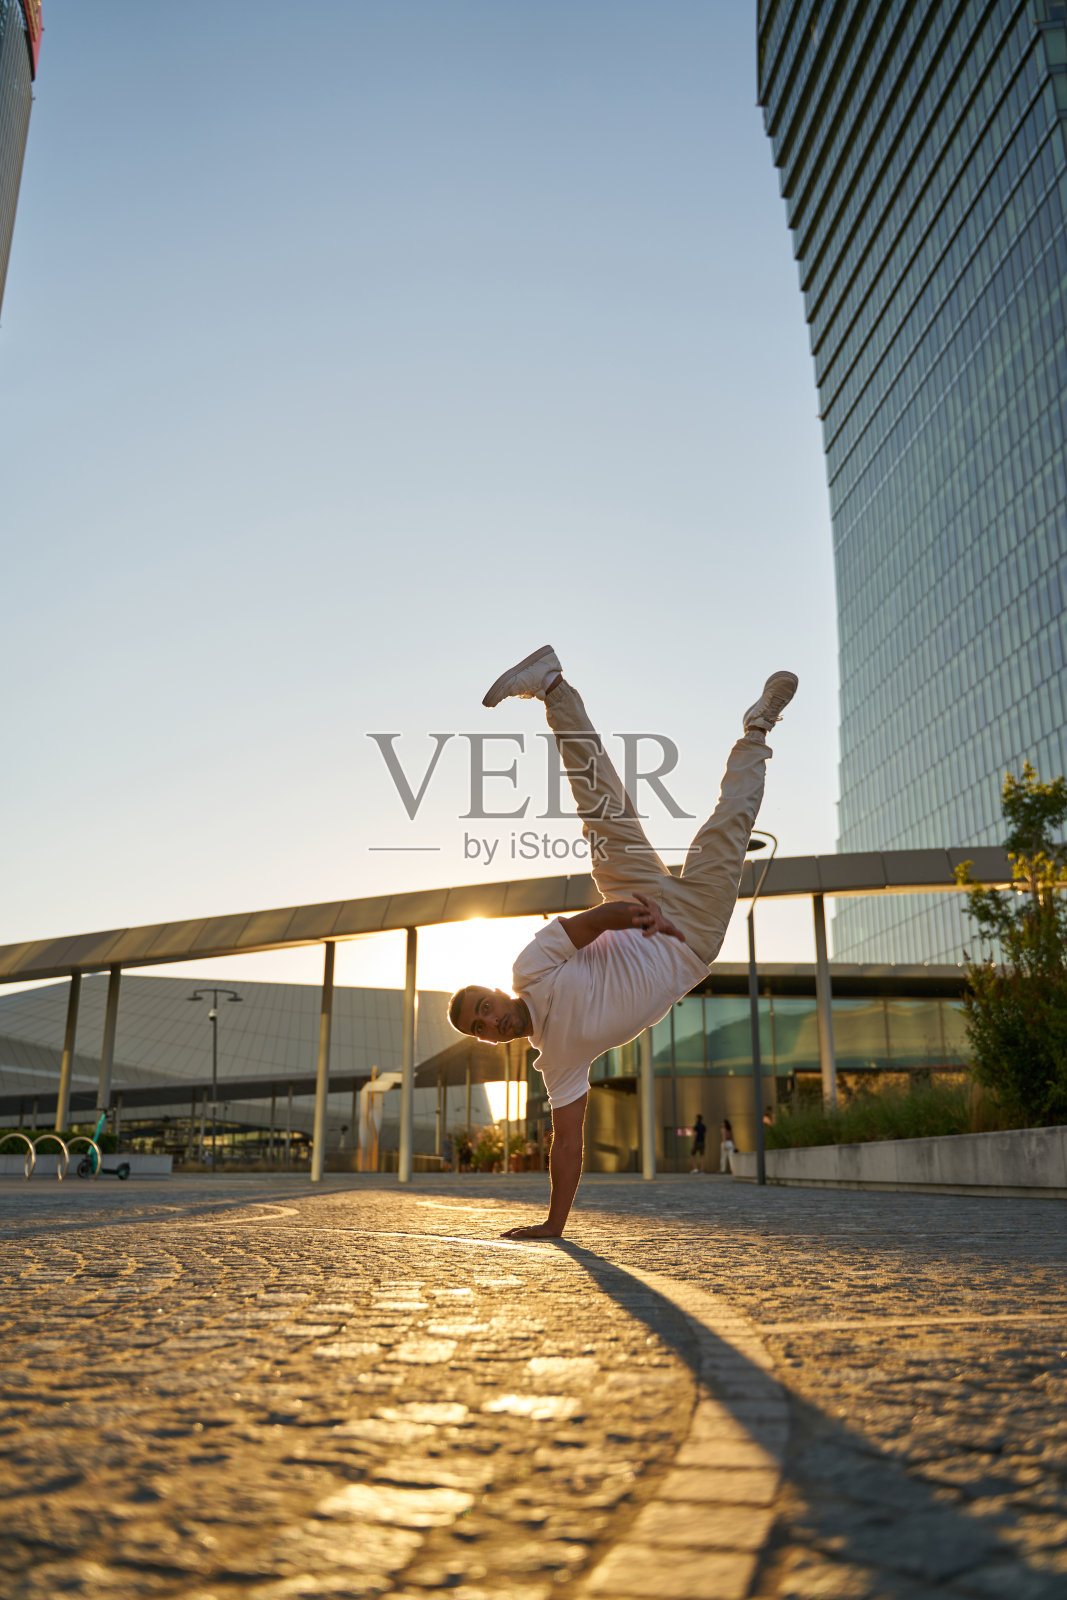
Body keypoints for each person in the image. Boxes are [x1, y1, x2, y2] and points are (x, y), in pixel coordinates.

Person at [447, 645, 797, 1239]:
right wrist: (553, 1226)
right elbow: (570, 1142)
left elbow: (594, 922)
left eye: (486, 1008)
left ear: (495, 993)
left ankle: (552, 686)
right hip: (692, 937)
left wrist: (638, 917)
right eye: (482, 1028)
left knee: (601, 808)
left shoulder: (529, 967)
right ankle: (757, 728)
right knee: (730, 824)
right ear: (488, 1039)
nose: (493, 1023)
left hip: (636, 907)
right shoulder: (557, 1064)